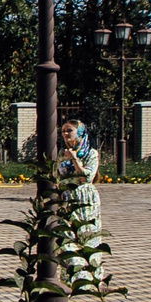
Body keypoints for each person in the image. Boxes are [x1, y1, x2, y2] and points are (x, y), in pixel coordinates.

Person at [57, 117, 106, 286]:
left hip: (86, 200)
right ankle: (74, 279)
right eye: (63, 131)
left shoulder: (91, 153)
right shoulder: (62, 154)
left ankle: (91, 279)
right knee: (66, 239)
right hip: (68, 200)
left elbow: (87, 177)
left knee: (88, 239)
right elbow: (59, 176)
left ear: (80, 132)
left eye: (69, 130)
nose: (65, 134)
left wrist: (74, 159)